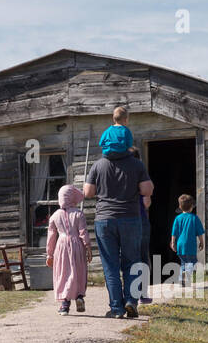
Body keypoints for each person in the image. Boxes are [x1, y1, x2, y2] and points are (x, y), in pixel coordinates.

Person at [84, 115, 153, 318]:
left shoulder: (98, 165)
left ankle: (116, 308)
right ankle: (131, 301)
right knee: (132, 261)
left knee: (110, 264)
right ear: (128, 141)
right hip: (130, 218)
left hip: (104, 220)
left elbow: (88, 192)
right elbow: (147, 190)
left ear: (105, 141)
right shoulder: (136, 165)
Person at [45, 184, 92, 315]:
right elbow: (83, 232)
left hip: (61, 246)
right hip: (77, 244)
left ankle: (65, 304)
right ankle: (79, 296)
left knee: (63, 272)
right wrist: (88, 247)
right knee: (78, 270)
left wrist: (49, 254)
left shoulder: (54, 216)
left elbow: (51, 237)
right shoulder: (78, 214)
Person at [127, 146, 153, 306]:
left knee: (127, 257)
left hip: (123, 219)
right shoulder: (141, 174)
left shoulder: (120, 173)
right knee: (142, 256)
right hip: (140, 219)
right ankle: (142, 293)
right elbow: (147, 201)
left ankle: (128, 293)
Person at [170, 194, 205, 286]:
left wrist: (173, 243)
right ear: (192, 207)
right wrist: (202, 242)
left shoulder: (177, 218)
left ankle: (182, 280)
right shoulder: (194, 218)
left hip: (180, 245)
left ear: (180, 207)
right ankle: (187, 280)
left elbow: (174, 232)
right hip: (190, 244)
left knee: (183, 263)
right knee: (192, 262)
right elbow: (199, 232)